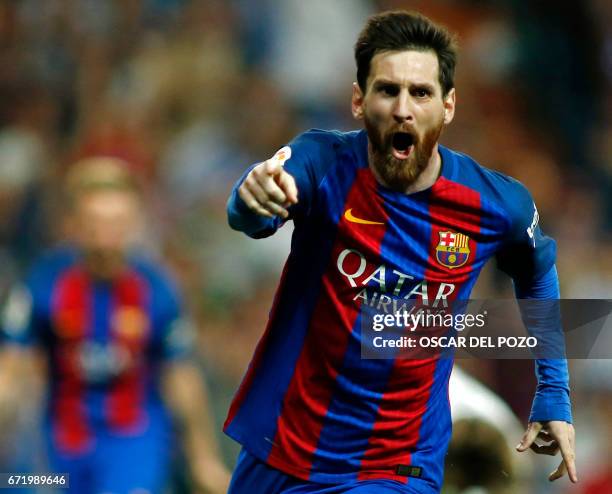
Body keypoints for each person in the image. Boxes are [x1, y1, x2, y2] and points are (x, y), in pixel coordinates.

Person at [224, 10, 576, 494]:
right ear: (358, 100)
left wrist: (553, 394)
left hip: (394, 466)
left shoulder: (495, 204)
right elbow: (255, 211)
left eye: (421, 92)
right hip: (281, 446)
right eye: (388, 90)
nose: (403, 108)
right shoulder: (321, 161)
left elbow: (538, 273)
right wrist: (250, 198)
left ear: (448, 106)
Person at [0, 157, 230, 494]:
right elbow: (10, 371)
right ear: (73, 224)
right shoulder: (42, 283)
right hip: (61, 443)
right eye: (94, 223)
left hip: (133, 443)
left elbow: (181, 378)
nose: (106, 237)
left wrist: (202, 459)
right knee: (17, 486)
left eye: (116, 223)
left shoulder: (158, 288)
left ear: (134, 223)